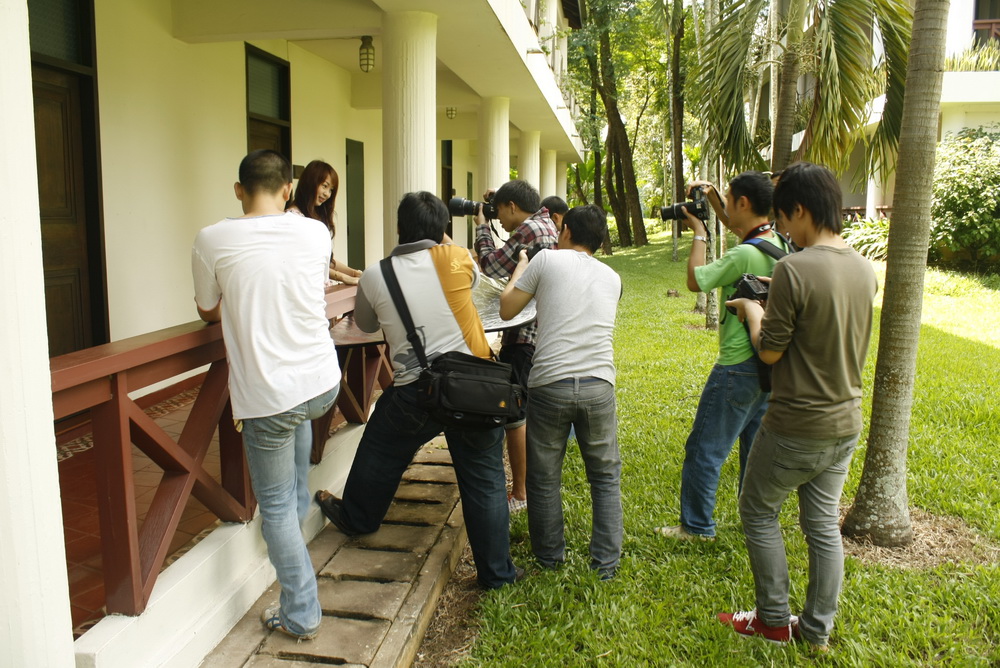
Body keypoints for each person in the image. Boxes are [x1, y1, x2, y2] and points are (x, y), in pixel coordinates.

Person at [314, 191, 520, 590]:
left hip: (415, 391)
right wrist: (445, 242)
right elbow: (472, 281)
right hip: (475, 387)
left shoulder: (376, 275)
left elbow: (366, 325)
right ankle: (497, 575)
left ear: (397, 228)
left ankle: (358, 517)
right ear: (443, 230)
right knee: (485, 480)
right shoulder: (458, 258)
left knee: (380, 447)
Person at [722, 162, 877, 649]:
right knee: (822, 526)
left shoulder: (794, 267)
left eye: (785, 218)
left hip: (795, 423)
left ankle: (772, 620)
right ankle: (815, 631)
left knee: (757, 510)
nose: (784, 229)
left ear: (801, 210)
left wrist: (752, 310)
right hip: (845, 421)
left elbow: (770, 350)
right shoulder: (863, 268)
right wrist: (776, 296)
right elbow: (823, 315)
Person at [191, 149, 342, 640]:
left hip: (269, 395)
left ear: (239, 190)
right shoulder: (315, 232)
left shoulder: (211, 239)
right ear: (287, 190)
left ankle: (301, 612)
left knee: (272, 506)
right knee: (295, 432)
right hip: (322, 382)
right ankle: (293, 523)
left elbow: (208, 309)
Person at [655, 171, 791, 541]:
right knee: (754, 450)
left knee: (705, 448)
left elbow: (695, 280)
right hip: (768, 363)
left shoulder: (744, 253)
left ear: (744, 203)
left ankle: (696, 527)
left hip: (736, 365)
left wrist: (699, 233)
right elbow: (734, 224)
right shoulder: (778, 242)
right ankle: (755, 519)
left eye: (729, 200)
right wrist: (713, 197)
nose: (726, 208)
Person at [499, 205, 623, 580]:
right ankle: (606, 565)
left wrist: (521, 266)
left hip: (550, 383)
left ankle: (550, 558)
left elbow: (507, 309)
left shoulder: (546, 261)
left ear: (564, 230)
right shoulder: (613, 277)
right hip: (599, 384)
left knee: (543, 478)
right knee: (605, 478)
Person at [474, 180, 559, 513]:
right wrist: (495, 200)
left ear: (512, 206)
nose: (499, 219)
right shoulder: (546, 223)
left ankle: (521, 494)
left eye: (500, 211)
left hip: (524, 336)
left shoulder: (529, 229)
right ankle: (533, 486)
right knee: (527, 414)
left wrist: (482, 226)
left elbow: (491, 265)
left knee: (515, 415)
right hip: (540, 332)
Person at [287, 159, 363, 285]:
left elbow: (327, 261)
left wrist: (354, 273)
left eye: (331, 190)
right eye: (324, 186)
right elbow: (312, 263)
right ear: (310, 182)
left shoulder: (314, 215)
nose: (327, 194)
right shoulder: (293, 218)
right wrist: (343, 277)